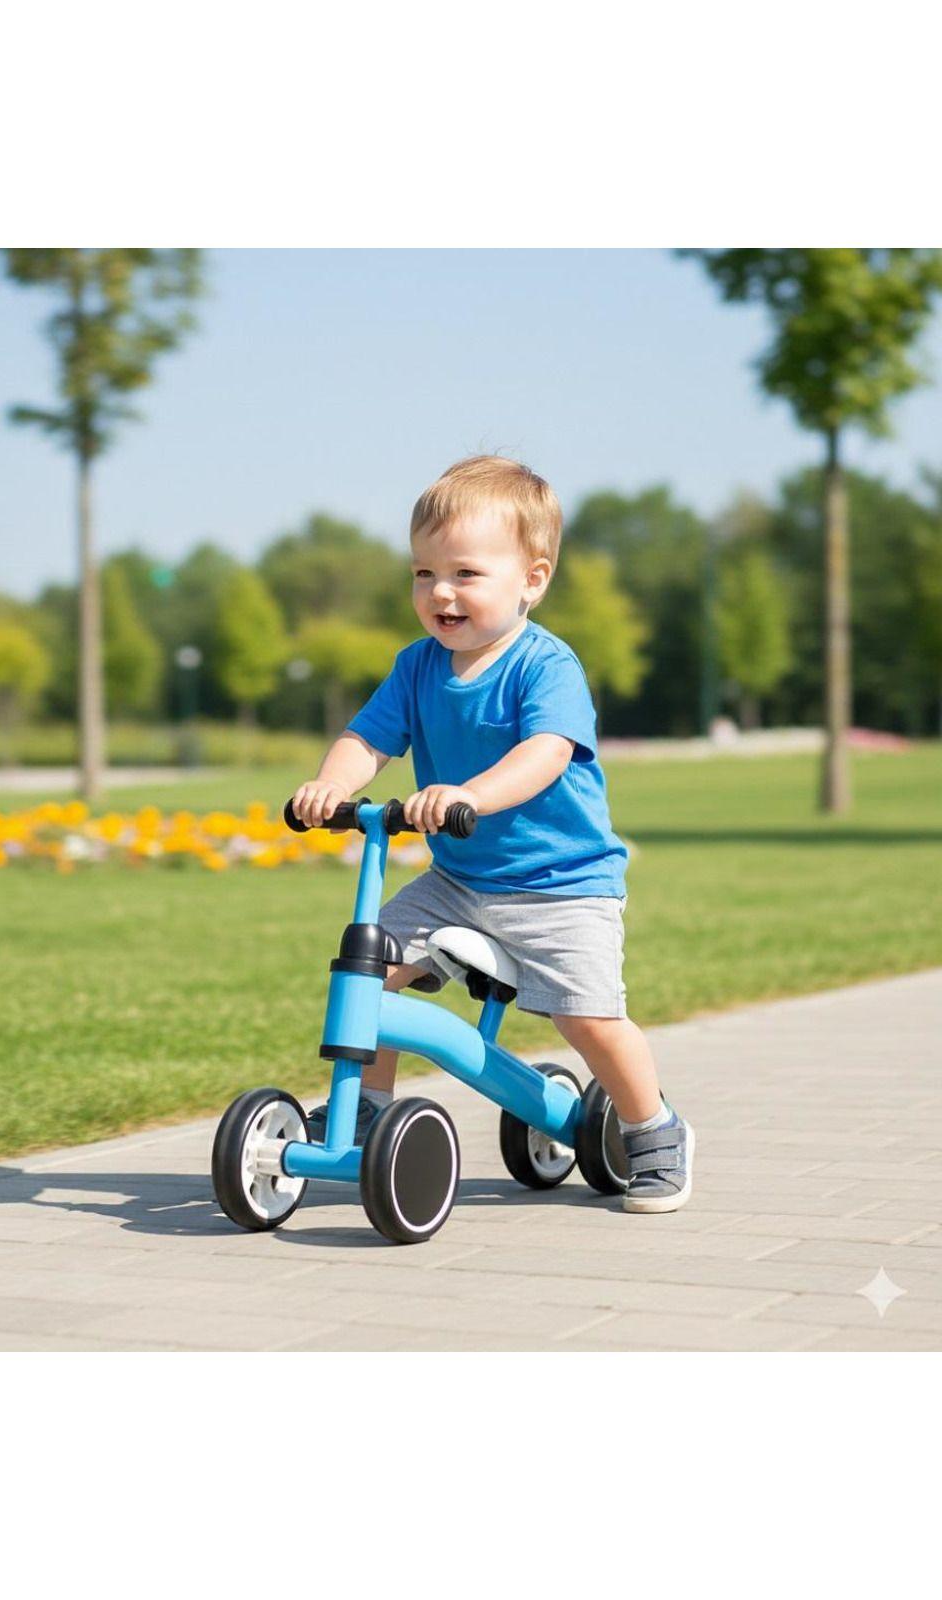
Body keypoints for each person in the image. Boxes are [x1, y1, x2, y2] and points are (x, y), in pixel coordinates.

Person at [290, 455, 694, 1213]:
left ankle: (651, 1128)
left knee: (586, 1016)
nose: (439, 592)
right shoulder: (416, 668)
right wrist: (332, 785)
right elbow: (367, 738)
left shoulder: (546, 666)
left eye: (465, 574)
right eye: (423, 573)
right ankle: (366, 1109)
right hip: (459, 881)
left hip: (560, 885)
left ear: (531, 580)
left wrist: (468, 794)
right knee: (370, 970)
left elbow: (545, 753)